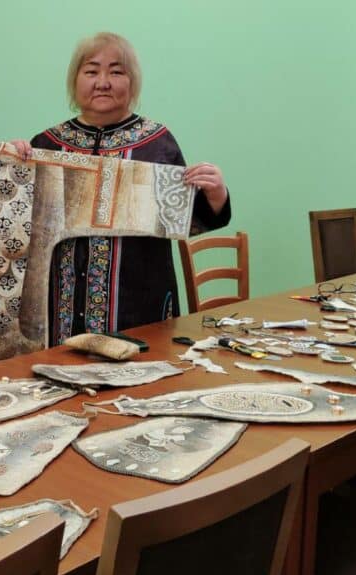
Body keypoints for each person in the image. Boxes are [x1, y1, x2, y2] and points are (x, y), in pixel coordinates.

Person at [14, 32, 230, 344]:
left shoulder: (157, 143)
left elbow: (186, 221)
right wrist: (11, 164)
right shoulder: (47, 144)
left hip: (138, 307)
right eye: (91, 71)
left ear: (132, 83)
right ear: (75, 80)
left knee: (140, 370)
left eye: (116, 72)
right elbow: (16, 223)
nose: (103, 82)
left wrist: (216, 194)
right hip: (60, 310)